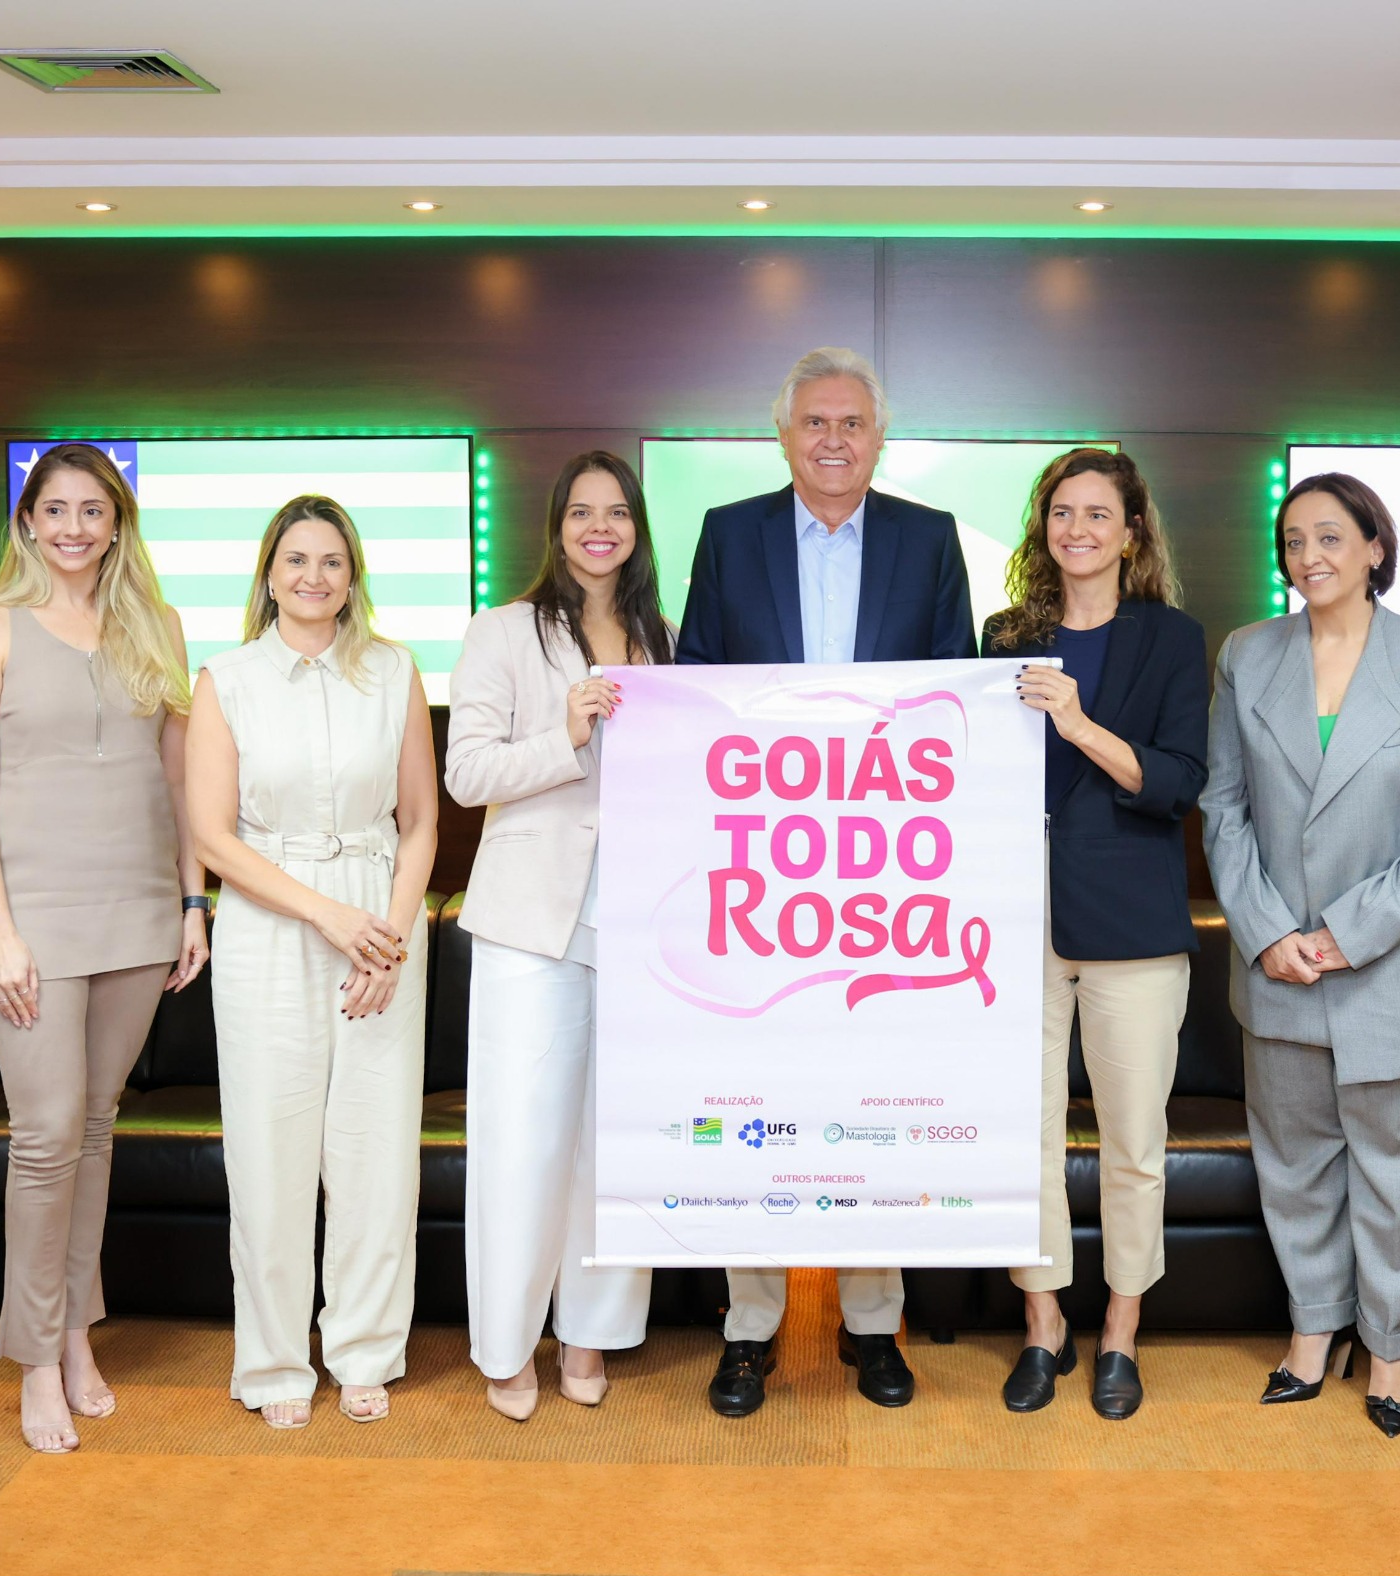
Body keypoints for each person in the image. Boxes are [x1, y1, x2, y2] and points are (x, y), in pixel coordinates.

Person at [674, 346, 974, 1417]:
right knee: (754, 1100)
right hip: (763, 866)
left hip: (883, 871)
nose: (834, 439)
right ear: (784, 434)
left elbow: (954, 700)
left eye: (852, 422)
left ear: (878, 436)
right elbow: (698, 685)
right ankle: (749, 1327)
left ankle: (870, 1322)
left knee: (873, 1100)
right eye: (815, 423)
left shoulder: (928, 539)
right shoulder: (728, 534)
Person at [1201, 472, 1400, 1439]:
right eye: (1293, 540)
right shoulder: (1248, 654)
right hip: (1278, 963)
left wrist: (1349, 932)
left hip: (1396, 962)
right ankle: (1315, 1329)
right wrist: (1270, 931)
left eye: (1331, 536)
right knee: (1295, 1166)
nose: (1310, 556)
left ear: (1374, 546)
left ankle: (1394, 1343)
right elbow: (1223, 809)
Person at [0, 443, 209, 1455]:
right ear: (27, 523)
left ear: (117, 524)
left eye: (90, 510)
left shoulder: (158, 628)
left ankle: (75, 1332)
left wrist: (192, 901)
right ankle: (34, 1360)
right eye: (53, 509)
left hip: (140, 913)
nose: (71, 527)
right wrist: (0, 929)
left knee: (94, 1130)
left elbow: (180, 782)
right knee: (47, 1135)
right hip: (33, 922)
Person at [187, 495, 437, 1428]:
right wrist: (331, 916)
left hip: (379, 927)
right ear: (267, 574)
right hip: (270, 925)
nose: (313, 578)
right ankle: (276, 1363)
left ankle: (366, 1349)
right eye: (296, 560)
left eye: (332, 562)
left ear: (354, 577)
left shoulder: (394, 673)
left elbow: (422, 824)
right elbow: (212, 836)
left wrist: (390, 936)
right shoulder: (226, 679)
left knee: (374, 1154)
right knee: (270, 1151)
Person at [447, 450, 676, 1421]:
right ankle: (506, 1345)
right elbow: (466, 774)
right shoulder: (502, 631)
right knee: (521, 1142)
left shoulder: (660, 637)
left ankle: (590, 1335)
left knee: (612, 1143)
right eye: (582, 510)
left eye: (616, 511)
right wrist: (569, 732)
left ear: (635, 529)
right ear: (557, 524)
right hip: (528, 921)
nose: (599, 527)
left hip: (638, 925)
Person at [981, 448, 1207, 1419]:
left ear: (1131, 532)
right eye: (1060, 513)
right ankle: (1042, 1324)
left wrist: (1075, 722)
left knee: (1133, 1141)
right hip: (1010, 920)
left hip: (1132, 921)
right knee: (1020, 1134)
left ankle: (1118, 1328)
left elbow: (1176, 782)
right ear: (1044, 531)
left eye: (1096, 513)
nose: (1077, 528)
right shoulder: (1001, 637)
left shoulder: (1171, 638)